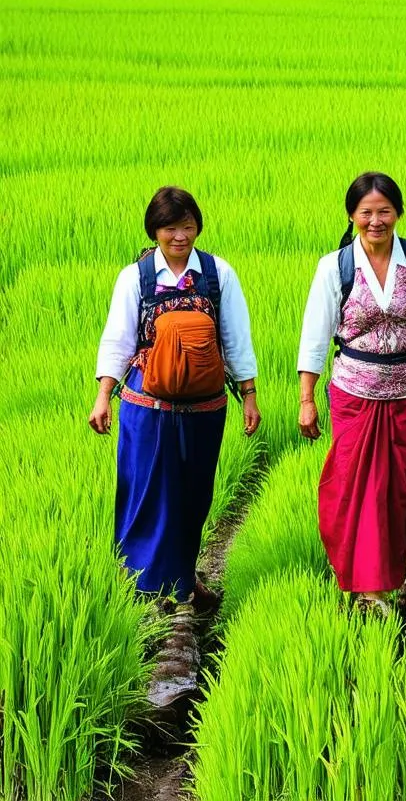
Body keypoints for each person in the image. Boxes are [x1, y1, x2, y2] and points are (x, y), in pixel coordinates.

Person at [297, 172, 406, 619]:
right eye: (366, 212)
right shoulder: (333, 267)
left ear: (398, 213)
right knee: (364, 489)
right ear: (352, 215)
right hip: (355, 394)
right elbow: (315, 337)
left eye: (384, 212)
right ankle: (372, 590)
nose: (376, 221)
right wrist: (307, 396)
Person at [89, 186, 260, 609]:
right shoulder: (137, 277)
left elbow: (235, 339)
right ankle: (143, 590)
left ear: (198, 227)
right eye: (170, 227)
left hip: (204, 409)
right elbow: (118, 340)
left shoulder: (219, 275)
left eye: (187, 226)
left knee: (193, 495)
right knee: (145, 495)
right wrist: (103, 397)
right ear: (155, 230)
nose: (180, 235)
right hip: (148, 408)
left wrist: (250, 396)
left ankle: (182, 580)